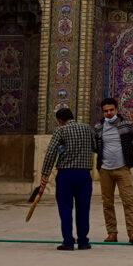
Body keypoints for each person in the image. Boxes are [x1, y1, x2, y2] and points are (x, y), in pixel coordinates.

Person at [38, 104, 97, 250]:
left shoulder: (60, 130)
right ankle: (83, 241)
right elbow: (96, 147)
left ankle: (68, 241)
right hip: (84, 174)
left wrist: (44, 173)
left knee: (65, 209)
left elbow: (51, 153)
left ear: (60, 120)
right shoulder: (87, 129)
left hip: (66, 174)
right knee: (83, 208)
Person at [95, 96, 133, 245]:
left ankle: (132, 233)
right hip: (105, 170)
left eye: (111, 110)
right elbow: (95, 146)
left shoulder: (127, 125)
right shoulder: (99, 127)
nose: (109, 113)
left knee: (128, 201)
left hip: (122, 169)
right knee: (107, 203)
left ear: (116, 110)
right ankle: (112, 233)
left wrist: (126, 154)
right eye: (106, 111)